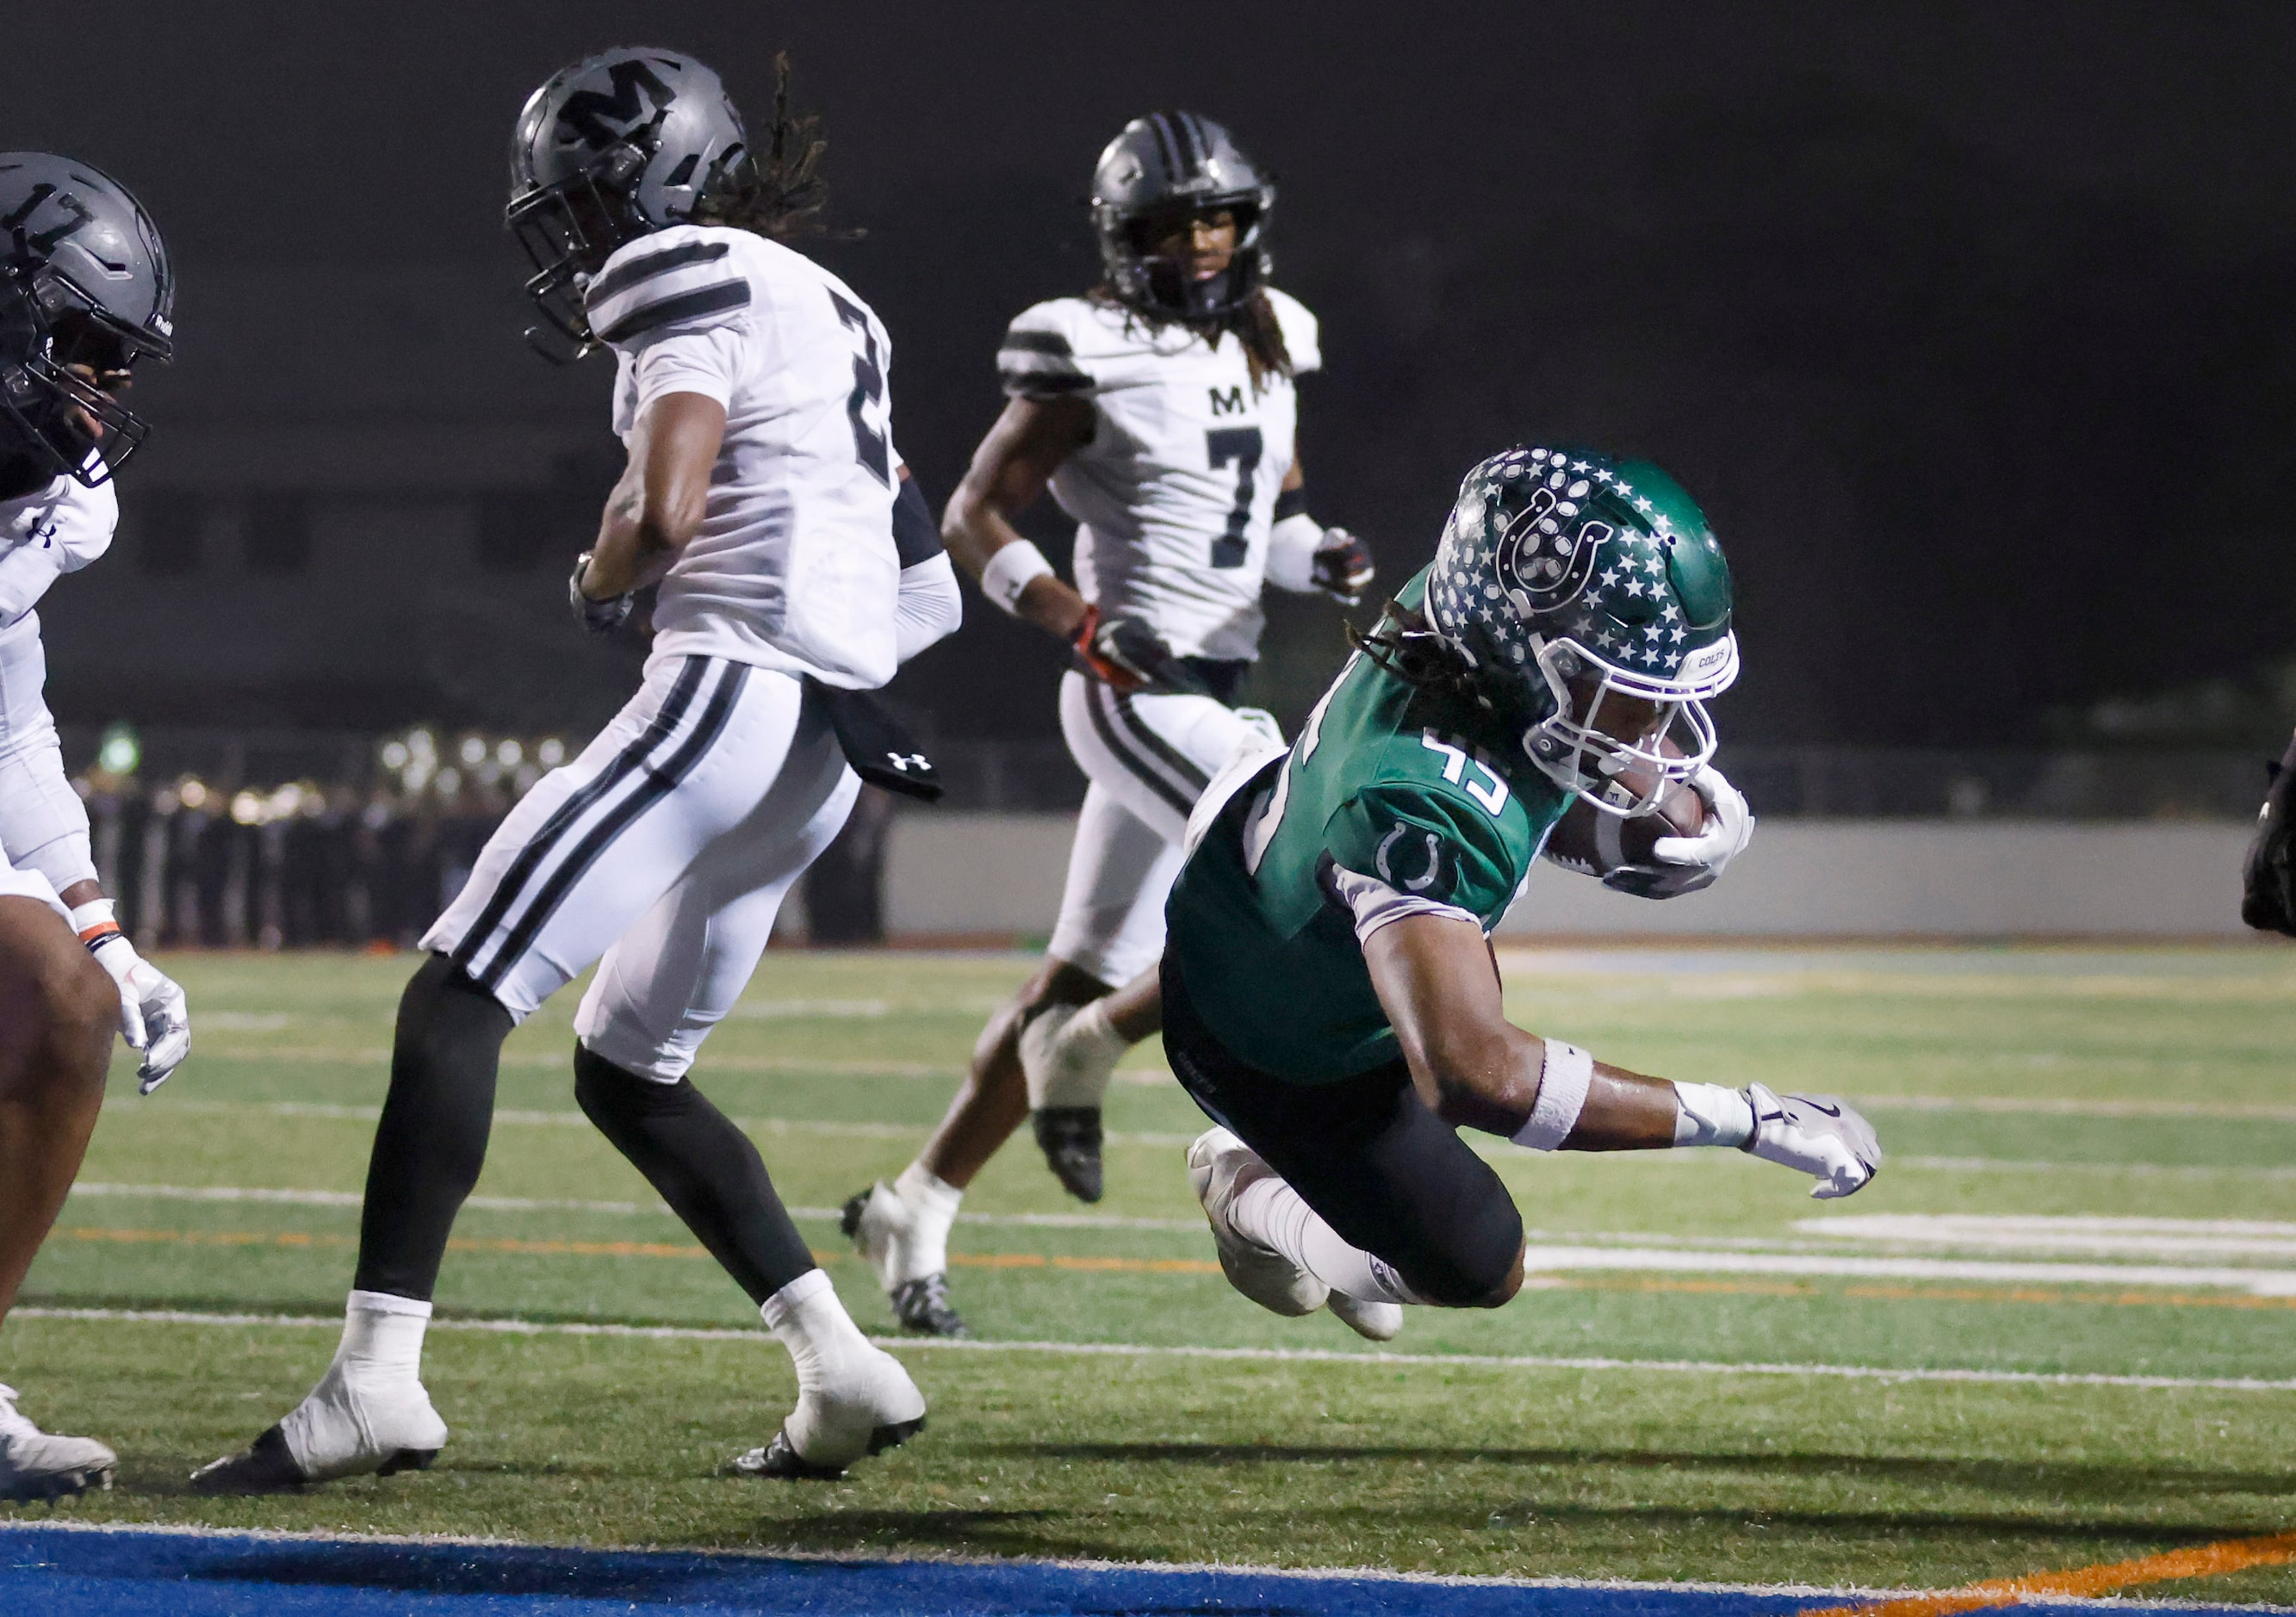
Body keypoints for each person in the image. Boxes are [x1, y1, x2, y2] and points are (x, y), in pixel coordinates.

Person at [193, 47, 961, 1493]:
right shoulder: (831, 312)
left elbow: (667, 502)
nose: (575, 241)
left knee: (455, 994)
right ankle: (843, 1368)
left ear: (653, 184)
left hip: (727, 687)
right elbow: (931, 599)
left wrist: (600, 575)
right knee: (630, 1066)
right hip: (828, 740)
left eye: (584, 203)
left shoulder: (680, 278)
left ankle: (377, 1382)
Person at [841, 112, 1374, 1338]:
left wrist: (1319, 556)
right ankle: (1296, 1187)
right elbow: (975, 510)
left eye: (1217, 217)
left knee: (1077, 973)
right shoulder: (1086, 350)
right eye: (1171, 223)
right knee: (1284, 846)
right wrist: (1076, 619)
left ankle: (910, 1204)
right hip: (1130, 685)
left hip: (1213, 682)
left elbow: (1266, 519)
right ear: (1121, 236)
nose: (1199, 243)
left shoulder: (1272, 336)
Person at [1160, 446, 1872, 1340]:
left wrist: (1630, 833)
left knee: (1419, 1224)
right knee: (1475, 1267)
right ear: (1526, 656)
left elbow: (1523, 779)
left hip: (1288, 906)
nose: (1654, 725)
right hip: (1269, 1032)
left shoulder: (1470, 618)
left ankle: (1331, 1199)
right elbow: (1475, 1075)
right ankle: (1248, 1190)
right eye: (1627, 693)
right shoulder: (1418, 800)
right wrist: (1746, 1118)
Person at [0, 152, 190, 1498]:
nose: (102, 386)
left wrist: (99, 925)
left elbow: (8, 721)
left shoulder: (51, 503)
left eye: (117, 356)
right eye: (78, 342)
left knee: (60, 996)